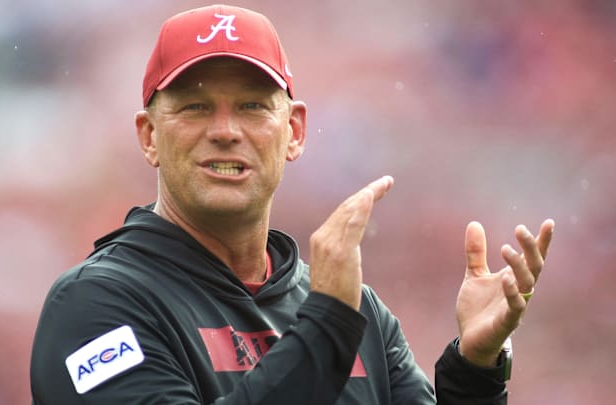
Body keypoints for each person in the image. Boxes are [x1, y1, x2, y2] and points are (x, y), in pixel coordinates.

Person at [30, 4, 555, 404]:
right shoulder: (95, 307)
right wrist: (326, 324)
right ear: (148, 137)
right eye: (194, 107)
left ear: (295, 132)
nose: (225, 131)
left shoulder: (361, 314)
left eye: (253, 106)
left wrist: (475, 369)